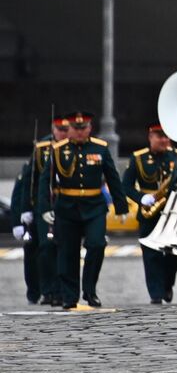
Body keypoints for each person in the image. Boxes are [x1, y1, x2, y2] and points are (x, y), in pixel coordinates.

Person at [37, 111, 127, 309]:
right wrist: (45, 207)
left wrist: (121, 207)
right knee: (67, 252)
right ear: (69, 129)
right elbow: (45, 181)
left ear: (90, 128)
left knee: (97, 244)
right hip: (67, 207)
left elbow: (112, 177)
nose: (79, 132)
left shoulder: (100, 148)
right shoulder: (58, 150)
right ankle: (70, 295)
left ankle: (90, 290)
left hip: (94, 206)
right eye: (75, 128)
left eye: (83, 128)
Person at [11, 111, 69, 305]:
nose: (63, 133)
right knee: (46, 247)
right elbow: (28, 182)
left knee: (65, 248)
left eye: (66, 129)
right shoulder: (42, 148)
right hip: (44, 206)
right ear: (53, 129)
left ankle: (63, 289)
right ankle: (48, 290)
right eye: (59, 129)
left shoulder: (75, 147)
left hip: (67, 205)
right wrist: (25, 210)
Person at [123, 122, 177, 304]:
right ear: (150, 137)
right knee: (151, 255)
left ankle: (167, 284)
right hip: (149, 212)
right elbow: (126, 186)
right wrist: (141, 198)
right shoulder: (138, 158)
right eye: (159, 136)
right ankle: (156, 294)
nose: (163, 140)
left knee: (174, 254)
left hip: (172, 211)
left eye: (166, 136)